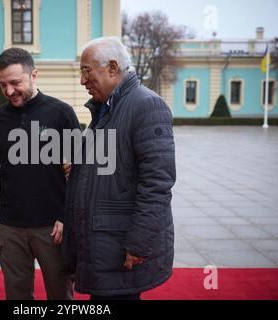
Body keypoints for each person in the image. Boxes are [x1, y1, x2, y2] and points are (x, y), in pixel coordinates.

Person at [61, 37, 176, 300]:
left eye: (86, 71)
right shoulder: (107, 108)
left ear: (112, 68)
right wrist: (79, 169)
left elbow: (158, 184)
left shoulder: (147, 105)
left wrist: (138, 244)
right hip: (103, 243)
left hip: (119, 244)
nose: (82, 80)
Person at [0, 48, 79, 300]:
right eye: (3, 85)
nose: (9, 91)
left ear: (34, 75)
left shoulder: (61, 113)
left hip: (52, 226)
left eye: (15, 82)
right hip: (10, 226)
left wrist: (67, 217)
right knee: (17, 295)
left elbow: (81, 173)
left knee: (60, 295)